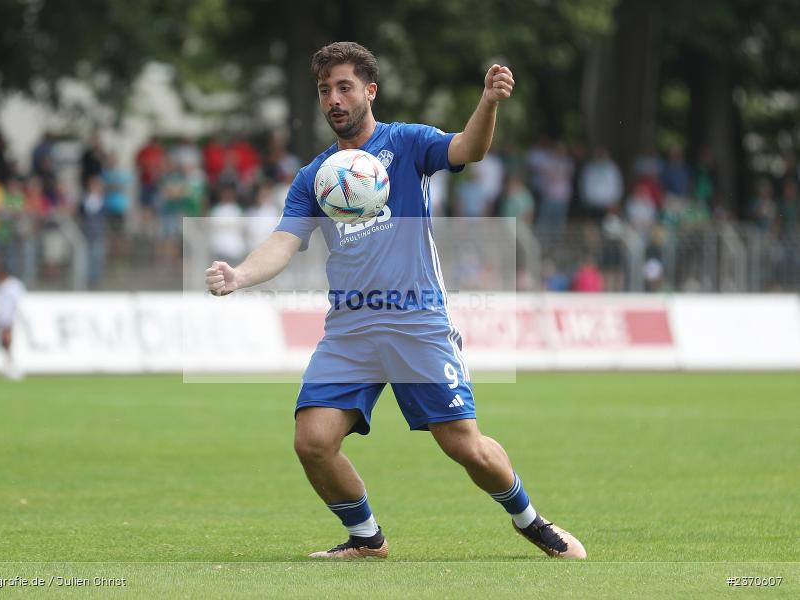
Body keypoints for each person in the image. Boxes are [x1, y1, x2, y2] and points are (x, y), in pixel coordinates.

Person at [205, 42, 586, 560]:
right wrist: (240, 274)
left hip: (416, 321)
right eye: (324, 91)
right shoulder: (314, 178)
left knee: (463, 445)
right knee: (312, 441)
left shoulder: (405, 143)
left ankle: (532, 521)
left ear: (370, 90)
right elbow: (284, 242)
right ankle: (367, 540)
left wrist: (488, 102)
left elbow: (468, 150)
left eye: (344, 87)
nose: (334, 99)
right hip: (351, 331)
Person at [0, 259, 26, 380]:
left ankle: (12, 366)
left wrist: (15, 316)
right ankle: (8, 364)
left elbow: (18, 302)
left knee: (9, 341)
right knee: (5, 342)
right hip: (2, 319)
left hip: (11, 318)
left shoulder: (13, 285)